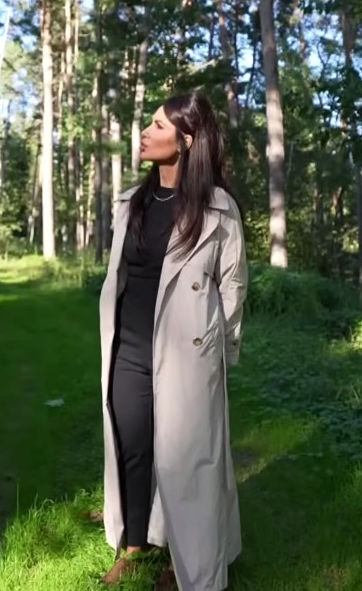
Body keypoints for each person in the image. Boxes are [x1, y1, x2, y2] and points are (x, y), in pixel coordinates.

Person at [97, 92, 248, 590]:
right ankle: (135, 544)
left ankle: (188, 566)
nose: (145, 131)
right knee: (133, 446)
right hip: (128, 349)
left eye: (158, 125)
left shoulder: (218, 208)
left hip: (188, 352)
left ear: (185, 141)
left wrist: (219, 351)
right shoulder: (132, 203)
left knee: (187, 461)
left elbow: (233, 285)